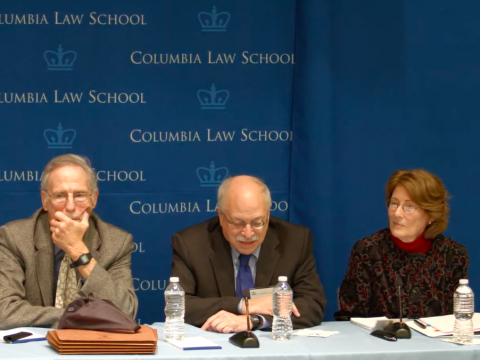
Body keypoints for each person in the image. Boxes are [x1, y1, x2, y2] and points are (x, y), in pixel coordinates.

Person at [170, 175, 326, 333]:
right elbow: (179, 305)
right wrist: (245, 305)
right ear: (221, 216)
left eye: (258, 222)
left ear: (268, 215)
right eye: (237, 223)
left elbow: (312, 304)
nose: (248, 233)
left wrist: (255, 321)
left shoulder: (295, 241)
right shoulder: (191, 244)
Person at [0, 154, 138, 329]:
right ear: (45, 200)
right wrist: (77, 317)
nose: (71, 206)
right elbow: (4, 312)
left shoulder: (117, 242)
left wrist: (77, 250)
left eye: (79, 195)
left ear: (93, 199)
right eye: (60, 196)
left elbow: (125, 312)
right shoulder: (14, 238)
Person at [335, 169, 469, 320]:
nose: (397, 213)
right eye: (394, 204)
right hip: (379, 341)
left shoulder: (453, 254)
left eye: (409, 207)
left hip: (435, 342)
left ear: (431, 215)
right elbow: (350, 318)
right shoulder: (368, 250)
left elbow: (457, 319)